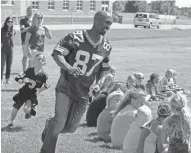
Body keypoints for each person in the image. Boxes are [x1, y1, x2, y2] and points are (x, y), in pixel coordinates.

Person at [40, 10, 113, 153]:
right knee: (60, 121)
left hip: (84, 91)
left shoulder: (106, 46)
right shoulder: (76, 37)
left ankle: (50, 124)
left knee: (71, 128)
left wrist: (99, 83)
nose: (108, 26)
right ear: (96, 19)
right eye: (107, 22)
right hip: (66, 85)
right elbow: (57, 53)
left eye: (110, 24)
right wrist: (69, 67)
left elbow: (104, 69)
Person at [6, 54, 49, 128]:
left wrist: (39, 91)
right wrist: (22, 80)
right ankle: (11, 122)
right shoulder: (29, 70)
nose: (39, 61)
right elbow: (18, 78)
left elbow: (47, 85)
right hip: (24, 92)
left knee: (26, 110)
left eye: (41, 59)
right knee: (16, 106)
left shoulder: (44, 75)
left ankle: (29, 110)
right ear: (34, 61)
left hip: (32, 94)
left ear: (44, 62)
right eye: (38, 59)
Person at [1, 17, 16, 84]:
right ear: (6, 22)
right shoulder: (2, 30)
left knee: (9, 66)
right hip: (3, 50)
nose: (10, 23)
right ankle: (1, 80)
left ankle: (7, 80)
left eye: (11, 22)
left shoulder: (14, 31)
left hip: (11, 50)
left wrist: (12, 32)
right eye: (8, 21)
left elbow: (12, 39)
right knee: (2, 66)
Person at [20, 6, 33, 72]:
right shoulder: (23, 20)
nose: (30, 12)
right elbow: (22, 30)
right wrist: (31, 28)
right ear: (26, 11)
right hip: (25, 41)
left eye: (31, 10)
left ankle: (29, 70)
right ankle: (24, 70)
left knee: (32, 56)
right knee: (25, 56)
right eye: (29, 10)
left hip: (33, 41)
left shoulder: (34, 20)